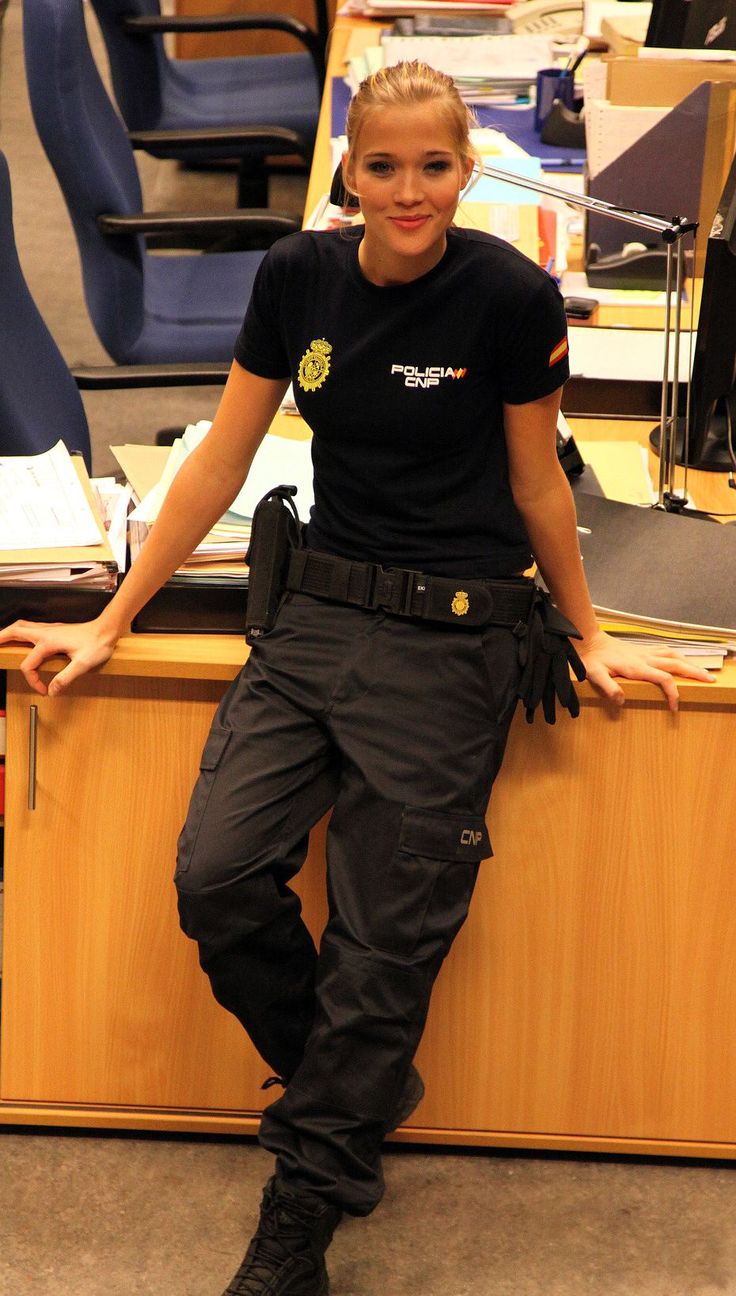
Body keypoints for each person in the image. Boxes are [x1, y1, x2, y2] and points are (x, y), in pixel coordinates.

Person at [0, 60, 713, 1296]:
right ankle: (357, 1072)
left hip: (456, 639)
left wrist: (587, 632)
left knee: (386, 953)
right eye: (381, 166)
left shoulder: (506, 296)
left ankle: (300, 1222)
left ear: (465, 169)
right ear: (350, 169)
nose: (408, 191)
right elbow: (224, 455)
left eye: (433, 166)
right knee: (216, 875)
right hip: (319, 615)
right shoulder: (299, 278)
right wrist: (113, 620)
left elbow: (543, 482)